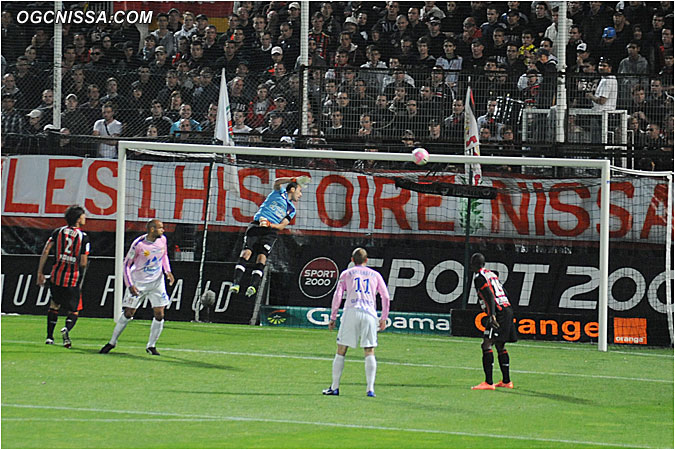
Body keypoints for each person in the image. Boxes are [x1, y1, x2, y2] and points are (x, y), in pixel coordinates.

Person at [99, 219, 175, 356]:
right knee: (129, 313)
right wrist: (130, 285)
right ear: (152, 229)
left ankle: (151, 346)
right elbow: (126, 265)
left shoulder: (162, 240)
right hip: (139, 283)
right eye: (160, 228)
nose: (163, 230)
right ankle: (112, 342)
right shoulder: (138, 245)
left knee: (160, 313)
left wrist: (167, 271)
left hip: (157, 283)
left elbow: (164, 256)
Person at [322, 247, 390, 397]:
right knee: (369, 350)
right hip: (369, 314)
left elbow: (338, 295)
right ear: (366, 260)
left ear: (352, 260)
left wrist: (333, 317)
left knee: (341, 350)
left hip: (351, 311)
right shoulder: (375, 275)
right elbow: (385, 296)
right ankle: (370, 389)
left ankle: (335, 387)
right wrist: (384, 317)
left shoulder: (347, 274)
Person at [229, 177, 308, 298]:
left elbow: (281, 226)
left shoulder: (292, 209)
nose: (301, 195)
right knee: (246, 253)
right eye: (299, 191)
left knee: (262, 257)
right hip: (257, 226)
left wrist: (269, 224)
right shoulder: (278, 192)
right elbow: (277, 181)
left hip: (270, 232)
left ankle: (253, 286)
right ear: (292, 189)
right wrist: (293, 179)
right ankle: (236, 283)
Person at [36, 205, 90, 348]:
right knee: (74, 310)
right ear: (78, 219)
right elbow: (83, 262)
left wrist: (40, 272)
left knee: (54, 304)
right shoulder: (83, 237)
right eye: (83, 216)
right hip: (72, 278)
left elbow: (46, 250)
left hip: (56, 276)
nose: (85, 218)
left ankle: (49, 337)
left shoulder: (57, 232)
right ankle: (66, 330)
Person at [469, 252, 517, 391]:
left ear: (473, 265)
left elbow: (489, 295)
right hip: (506, 308)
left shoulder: (479, 278)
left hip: (498, 312)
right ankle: (506, 381)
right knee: (500, 345)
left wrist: (492, 315)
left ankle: (488, 382)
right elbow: (503, 291)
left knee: (486, 344)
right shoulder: (491, 274)